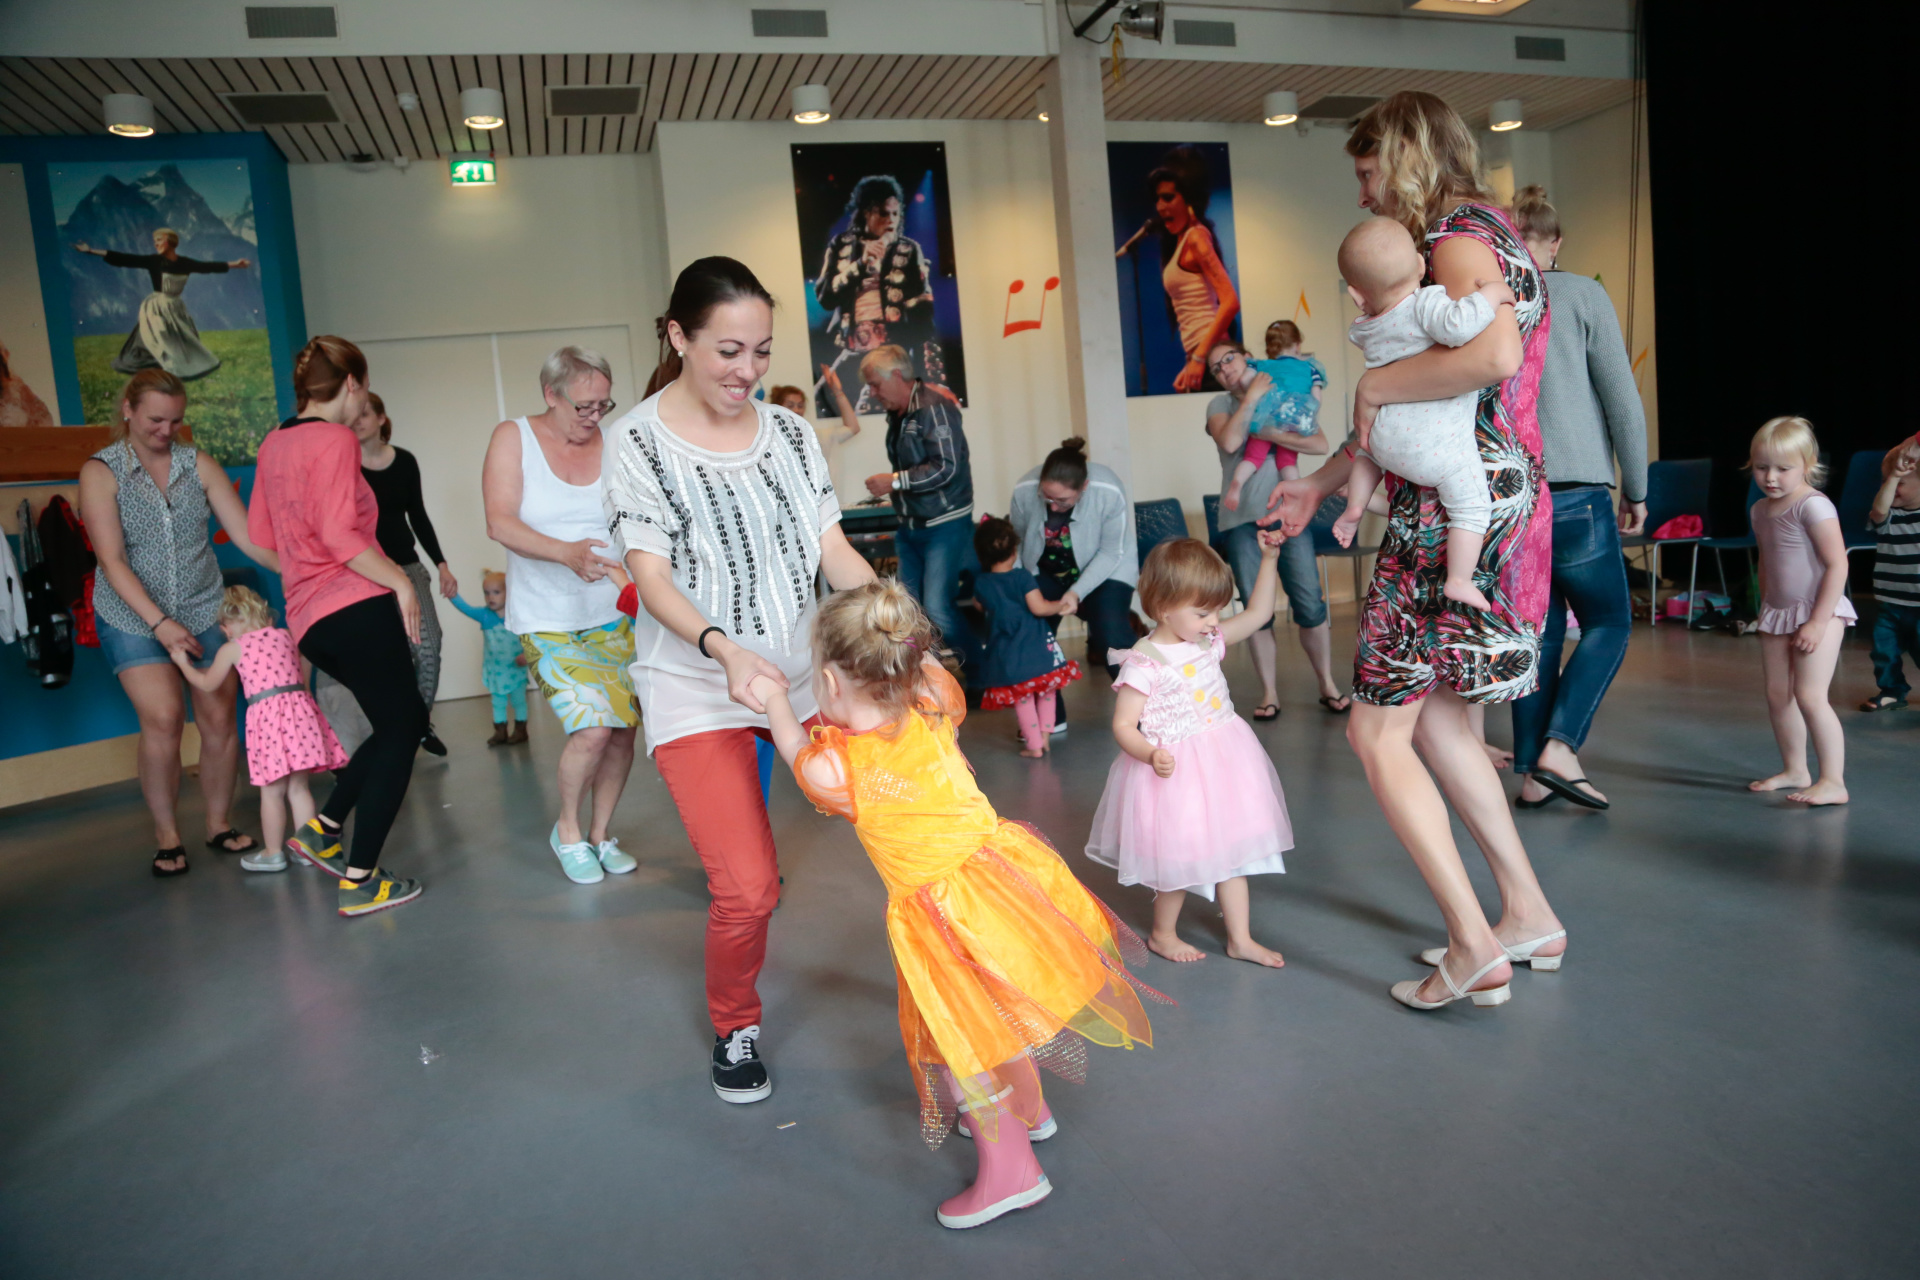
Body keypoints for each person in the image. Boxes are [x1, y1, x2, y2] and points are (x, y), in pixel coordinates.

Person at [1262, 90, 1565, 1008]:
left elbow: (1492, 358)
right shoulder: (1492, 229)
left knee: (1374, 726)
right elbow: (1432, 408)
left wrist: (1375, 382)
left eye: (1366, 172)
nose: (1363, 194)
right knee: (1433, 719)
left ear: (1402, 156)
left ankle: (1473, 943)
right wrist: (1322, 481)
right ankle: (1526, 912)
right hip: (1473, 487)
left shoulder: (1457, 238)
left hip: (1452, 507)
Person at [750, 581, 1161, 1229]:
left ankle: (1014, 1174)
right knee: (999, 1006)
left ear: (828, 682)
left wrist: (774, 699)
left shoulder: (839, 771)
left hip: (941, 916)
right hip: (1000, 878)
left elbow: (798, 755)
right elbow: (928, 671)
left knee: (964, 1033)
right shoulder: (936, 699)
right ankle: (1033, 1111)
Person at [606, 256, 878, 1105]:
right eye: (728, 351)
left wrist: (887, 621)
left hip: (802, 674)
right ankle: (736, 1022)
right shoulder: (637, 440)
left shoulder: (792, 434)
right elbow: (651, 579)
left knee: (916, 829)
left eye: (761, 351)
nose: (748, 372)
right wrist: (723, 649)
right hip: (696, 685)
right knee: (750, 887)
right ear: (679, 336)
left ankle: (967, 1005)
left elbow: (832, 550)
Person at [77, 368, 279, 876]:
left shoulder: (198, 464)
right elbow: (111, 561)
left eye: (176, 421)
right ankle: (167, 834)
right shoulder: (101, 471)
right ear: (128, 409)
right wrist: (160, 622)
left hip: (203, 604)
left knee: (217, 716)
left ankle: (217, 822)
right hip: (131, 614)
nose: (166, 431)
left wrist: (303, 569)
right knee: (165, 718)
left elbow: (246, 536)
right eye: (155, 419)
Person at [252, 336, 426, 917]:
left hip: (309, 619)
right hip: (354, 605)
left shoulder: (274, 443)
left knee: (395, 723)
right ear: (352, 383)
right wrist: (400, 581)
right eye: (364, 388)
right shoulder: (334, 439)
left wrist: (308, 576)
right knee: (403, 731)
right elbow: (339, 535)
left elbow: (260, 538)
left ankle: (324, 828)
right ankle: (361, 878)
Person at [1505, 186, 1650, 810]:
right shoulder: (1582, 293)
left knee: (1536, 636)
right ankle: (1561, 747)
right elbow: (1622, 400)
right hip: (1577, 492)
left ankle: (1534, 776)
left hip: (1509, 499)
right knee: (1609, 621)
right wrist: (1637, 488)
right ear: (1556, 243)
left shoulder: (1485, 303)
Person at [1087, 538, 1293, 968]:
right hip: (1175, 773)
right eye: (1203, 613)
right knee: (1180, 857)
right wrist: (1148, 754)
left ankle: (1240, 938)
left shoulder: (1206, 640)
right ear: (1163, 608)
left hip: (1225, 761)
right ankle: (1163, 934)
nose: (1214, 622)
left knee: (1232, 850)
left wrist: (1270, 559)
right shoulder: (1144, 663)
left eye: (1217, 610)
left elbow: (1257, 615)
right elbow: (1124, 725)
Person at [481, 345, 640, 886]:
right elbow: (500, 523)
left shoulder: (614, 442)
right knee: (593, 728)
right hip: (547, 617)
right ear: (551, 395)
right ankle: (567, 830)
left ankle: (600, 835)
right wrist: (566, 553)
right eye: (584, 407)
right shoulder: (514, 438)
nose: (595, 417)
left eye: (604, 405)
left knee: (622, 731)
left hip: (612, 611)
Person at [1329, 216, 1515, 613]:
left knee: (1368, 452)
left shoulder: (1365, 325)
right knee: (1470, 505)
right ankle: (1460, 580)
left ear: (1357, 297)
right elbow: (1458, 327)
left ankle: (1355, 507)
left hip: (1383, 434)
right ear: (1420, 265)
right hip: (1432, 446)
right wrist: (1494, 294)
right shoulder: (1426, 300)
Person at [1204, 341, 1348, 718]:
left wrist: (1266, 432)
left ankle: (1327, 683)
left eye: (1229, 359)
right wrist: (1252, 398)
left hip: (1289, 515)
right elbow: (1232, 440)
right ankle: (1269, 692)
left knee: (1309, 602)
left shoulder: (1285, 392)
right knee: (1257, 610)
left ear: (1247, 355)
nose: (1224, 369)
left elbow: (1319, 442)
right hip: (1240, 522)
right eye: (1216, 368)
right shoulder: (1220, 406)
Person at [170, 587, 346, 873]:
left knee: (272, 791)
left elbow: (206, 684)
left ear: (227, 629)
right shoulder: (288, 636)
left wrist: (182, 663)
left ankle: (273, 852)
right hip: (300, 713)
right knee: (299, 789)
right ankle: (307, 851)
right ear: (264, 616)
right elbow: (303, 674)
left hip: (267, 720)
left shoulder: (232, 648)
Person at [1745, 417, 1854, 806]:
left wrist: (1818, 621)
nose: (1770, 477)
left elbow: (1837, 564)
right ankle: (1795, 769)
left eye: (1782, 469)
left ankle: (1833, 781)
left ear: (1808, 466)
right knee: (1779, 695)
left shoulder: (1813, 505)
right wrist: (1765, 606)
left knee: (1810, 696)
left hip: (1817, 611)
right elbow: (1766, 560)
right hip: (1778, 612)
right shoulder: (1760, 510)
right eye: (1761, 467)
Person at [861, 344, 976, 678]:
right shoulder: (899, 413)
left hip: (944, 523)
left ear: (896, 375)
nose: (872, 392)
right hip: (911, 525)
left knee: (937, 611)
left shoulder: (933, 408)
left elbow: (948, 468)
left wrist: (895, 481)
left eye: (875, 384)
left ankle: (984, 674)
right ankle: (930, 684)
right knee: (910, 614)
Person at [350, 392, 455, 756]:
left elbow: (418, 515)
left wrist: (441, 563)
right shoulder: (345, 466)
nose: (357, 420)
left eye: (365, 413)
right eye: (353, 415)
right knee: (388, 656)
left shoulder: (405, 461)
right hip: (366, 572)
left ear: (381, 418)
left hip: (409, 567)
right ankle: (397, 732)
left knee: (430, 646)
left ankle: (415, 725)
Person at [1007, 437, 1138, 712]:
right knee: (1032, 632)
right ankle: (1049, 716)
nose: (1053, 507)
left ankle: (1144, 712)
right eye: (1048, 498)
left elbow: (1112, 553)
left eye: (1063, 501)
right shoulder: (1024, 489)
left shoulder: (1108, 490)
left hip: (1106, 569)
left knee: (1111, 635)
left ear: (1084, 488)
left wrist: (1076, 592)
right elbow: (1015, 543)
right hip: (1047, 569)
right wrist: (1025, 589)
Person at [813, 174, 937, 407]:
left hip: (892, 355)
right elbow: (826, 298)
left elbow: (923, 313)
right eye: (882, 213)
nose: (890, 219)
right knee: (822, 400)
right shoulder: (842, 246)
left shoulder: (908, 249)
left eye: (895, 213)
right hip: (852, 348)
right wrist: (860, 265)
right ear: (866, 212)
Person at [970, 515, 1081, 757]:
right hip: (1036, 646)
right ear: (1013, 551)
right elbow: (1038, 608)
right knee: (1048, 690)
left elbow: (980, 605)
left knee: (1022, 697)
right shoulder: (1022, 577)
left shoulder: (982, 583)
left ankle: (1034, 746)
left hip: (1008, 651)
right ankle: (1045, 737)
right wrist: (1060, 606)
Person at [72, 229, 250, 380]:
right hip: (157, 306)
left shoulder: (184, 263)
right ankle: (162, 365)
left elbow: (207, 266)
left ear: (170, 242)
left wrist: (236, 264)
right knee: (158, 333)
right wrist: (91, 251)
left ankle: (180, 365)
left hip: (175, 306)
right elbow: (126, 258)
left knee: (181, 338)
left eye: (159, 240)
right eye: (155, 241)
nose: (156, 244)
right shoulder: (153, 261)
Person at [1150, 147, 1240, 393]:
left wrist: (1199, 358)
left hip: (1213, 353)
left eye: (1168, 198)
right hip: (1204, 353)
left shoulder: (1197, 238)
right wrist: (1191, 362)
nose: (1160, 206)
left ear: (1189, 198)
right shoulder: (1182, 240)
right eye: (1157, 199)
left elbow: (1230, 301)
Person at [1223, 322, 1326, 512]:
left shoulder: (1261, 364)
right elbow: (1316, 398)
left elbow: (1245, 380)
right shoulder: (1310, 369)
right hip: (1293, 421)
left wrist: (1252, 392)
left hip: (1266, 417)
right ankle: (1295, 496)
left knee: (1253, 457)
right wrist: (1308, 417)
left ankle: (1237, 482)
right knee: (1287, 461)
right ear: (1297, 344)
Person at [1861, 437, 1920, 712]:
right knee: (1884, 652)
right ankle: (1892, 691)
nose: (1891, 487)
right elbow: (1879, 509)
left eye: (1899, 482)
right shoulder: (1888, 517)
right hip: (1892, 603)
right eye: (1886, 481)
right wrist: (1895, 475)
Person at [450, 570, 530, 746]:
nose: (490, 597)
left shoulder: (517, 615)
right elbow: (465, 608)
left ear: (509, 593)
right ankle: (500, 731)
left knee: (518, 700)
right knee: (497, 702)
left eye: (496, 592)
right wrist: (452, 595)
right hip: (495, 670)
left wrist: (527, 654)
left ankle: (520, 730)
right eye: (486, 593)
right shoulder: (484, 614)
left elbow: (531, 636)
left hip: (516, 667)